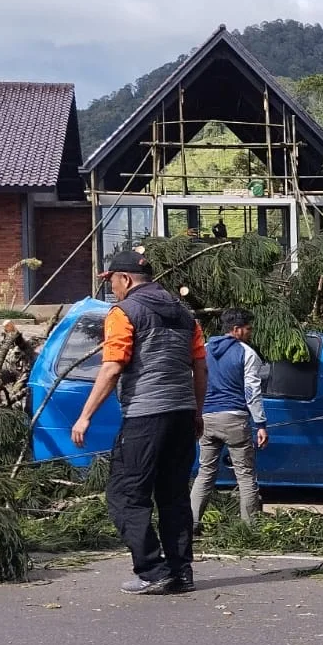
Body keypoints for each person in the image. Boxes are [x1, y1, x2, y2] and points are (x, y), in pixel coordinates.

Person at [71, 250, 208, 595]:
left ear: (126, 279)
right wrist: (196, 412)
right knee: (174, 497)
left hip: (145, 416)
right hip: (181, 416)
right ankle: (180, 571)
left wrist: (85, 416)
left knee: (125, 495)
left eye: (112, 281)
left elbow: (113, 365)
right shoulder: (185, 313)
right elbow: (201, 367)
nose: (111, 289)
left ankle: (151, 569)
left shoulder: (123, 312)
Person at [190, 308, 268, 528]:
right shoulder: (247, 353)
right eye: (248, 329)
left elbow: (194, 382)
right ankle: (249, 526)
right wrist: (260, 424)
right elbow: (252, 391)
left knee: (205, 472)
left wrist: (196, 414)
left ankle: (191, 521)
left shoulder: (203, 350)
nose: (250, 333)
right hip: (234, 418)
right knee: (245, 475)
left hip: (207, 418)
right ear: (236, 330)